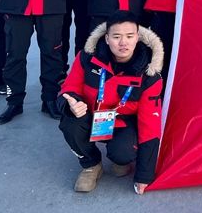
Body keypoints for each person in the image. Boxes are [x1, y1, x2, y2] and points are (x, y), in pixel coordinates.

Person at [57, 12, 163, 195]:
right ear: (106, 39)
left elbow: (150, 125)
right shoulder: (86, 58)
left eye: (129, 36)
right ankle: (91, 165)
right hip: (91, 114)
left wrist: (144, 176)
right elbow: (68, 88)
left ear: (137, 37)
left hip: (123, 122)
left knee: (123, 154)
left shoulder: (150, 75)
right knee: (70, 123)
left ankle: (119, 157)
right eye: (116, 36)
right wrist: (71, 104)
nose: (123, 43)